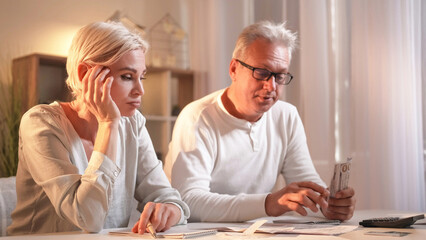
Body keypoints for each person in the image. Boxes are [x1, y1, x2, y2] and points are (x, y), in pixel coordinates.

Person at [7, 21, 189, 235]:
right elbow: (88, 218)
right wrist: (108, 124)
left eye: (142, 77)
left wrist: (170, 210)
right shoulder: (40, 123)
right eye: (127, 77)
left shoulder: (133, 123)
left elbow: (168, 198)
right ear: (85, 74)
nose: (140, 90)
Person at [164, 21, 356, 222]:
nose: (270, 86)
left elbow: (305, 186)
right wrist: (269, 203)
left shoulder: (287, 116)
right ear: (234, 69)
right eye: (262, 73)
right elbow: (189, 202)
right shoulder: (197, 117)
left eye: (280, 76)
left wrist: (328, 206)